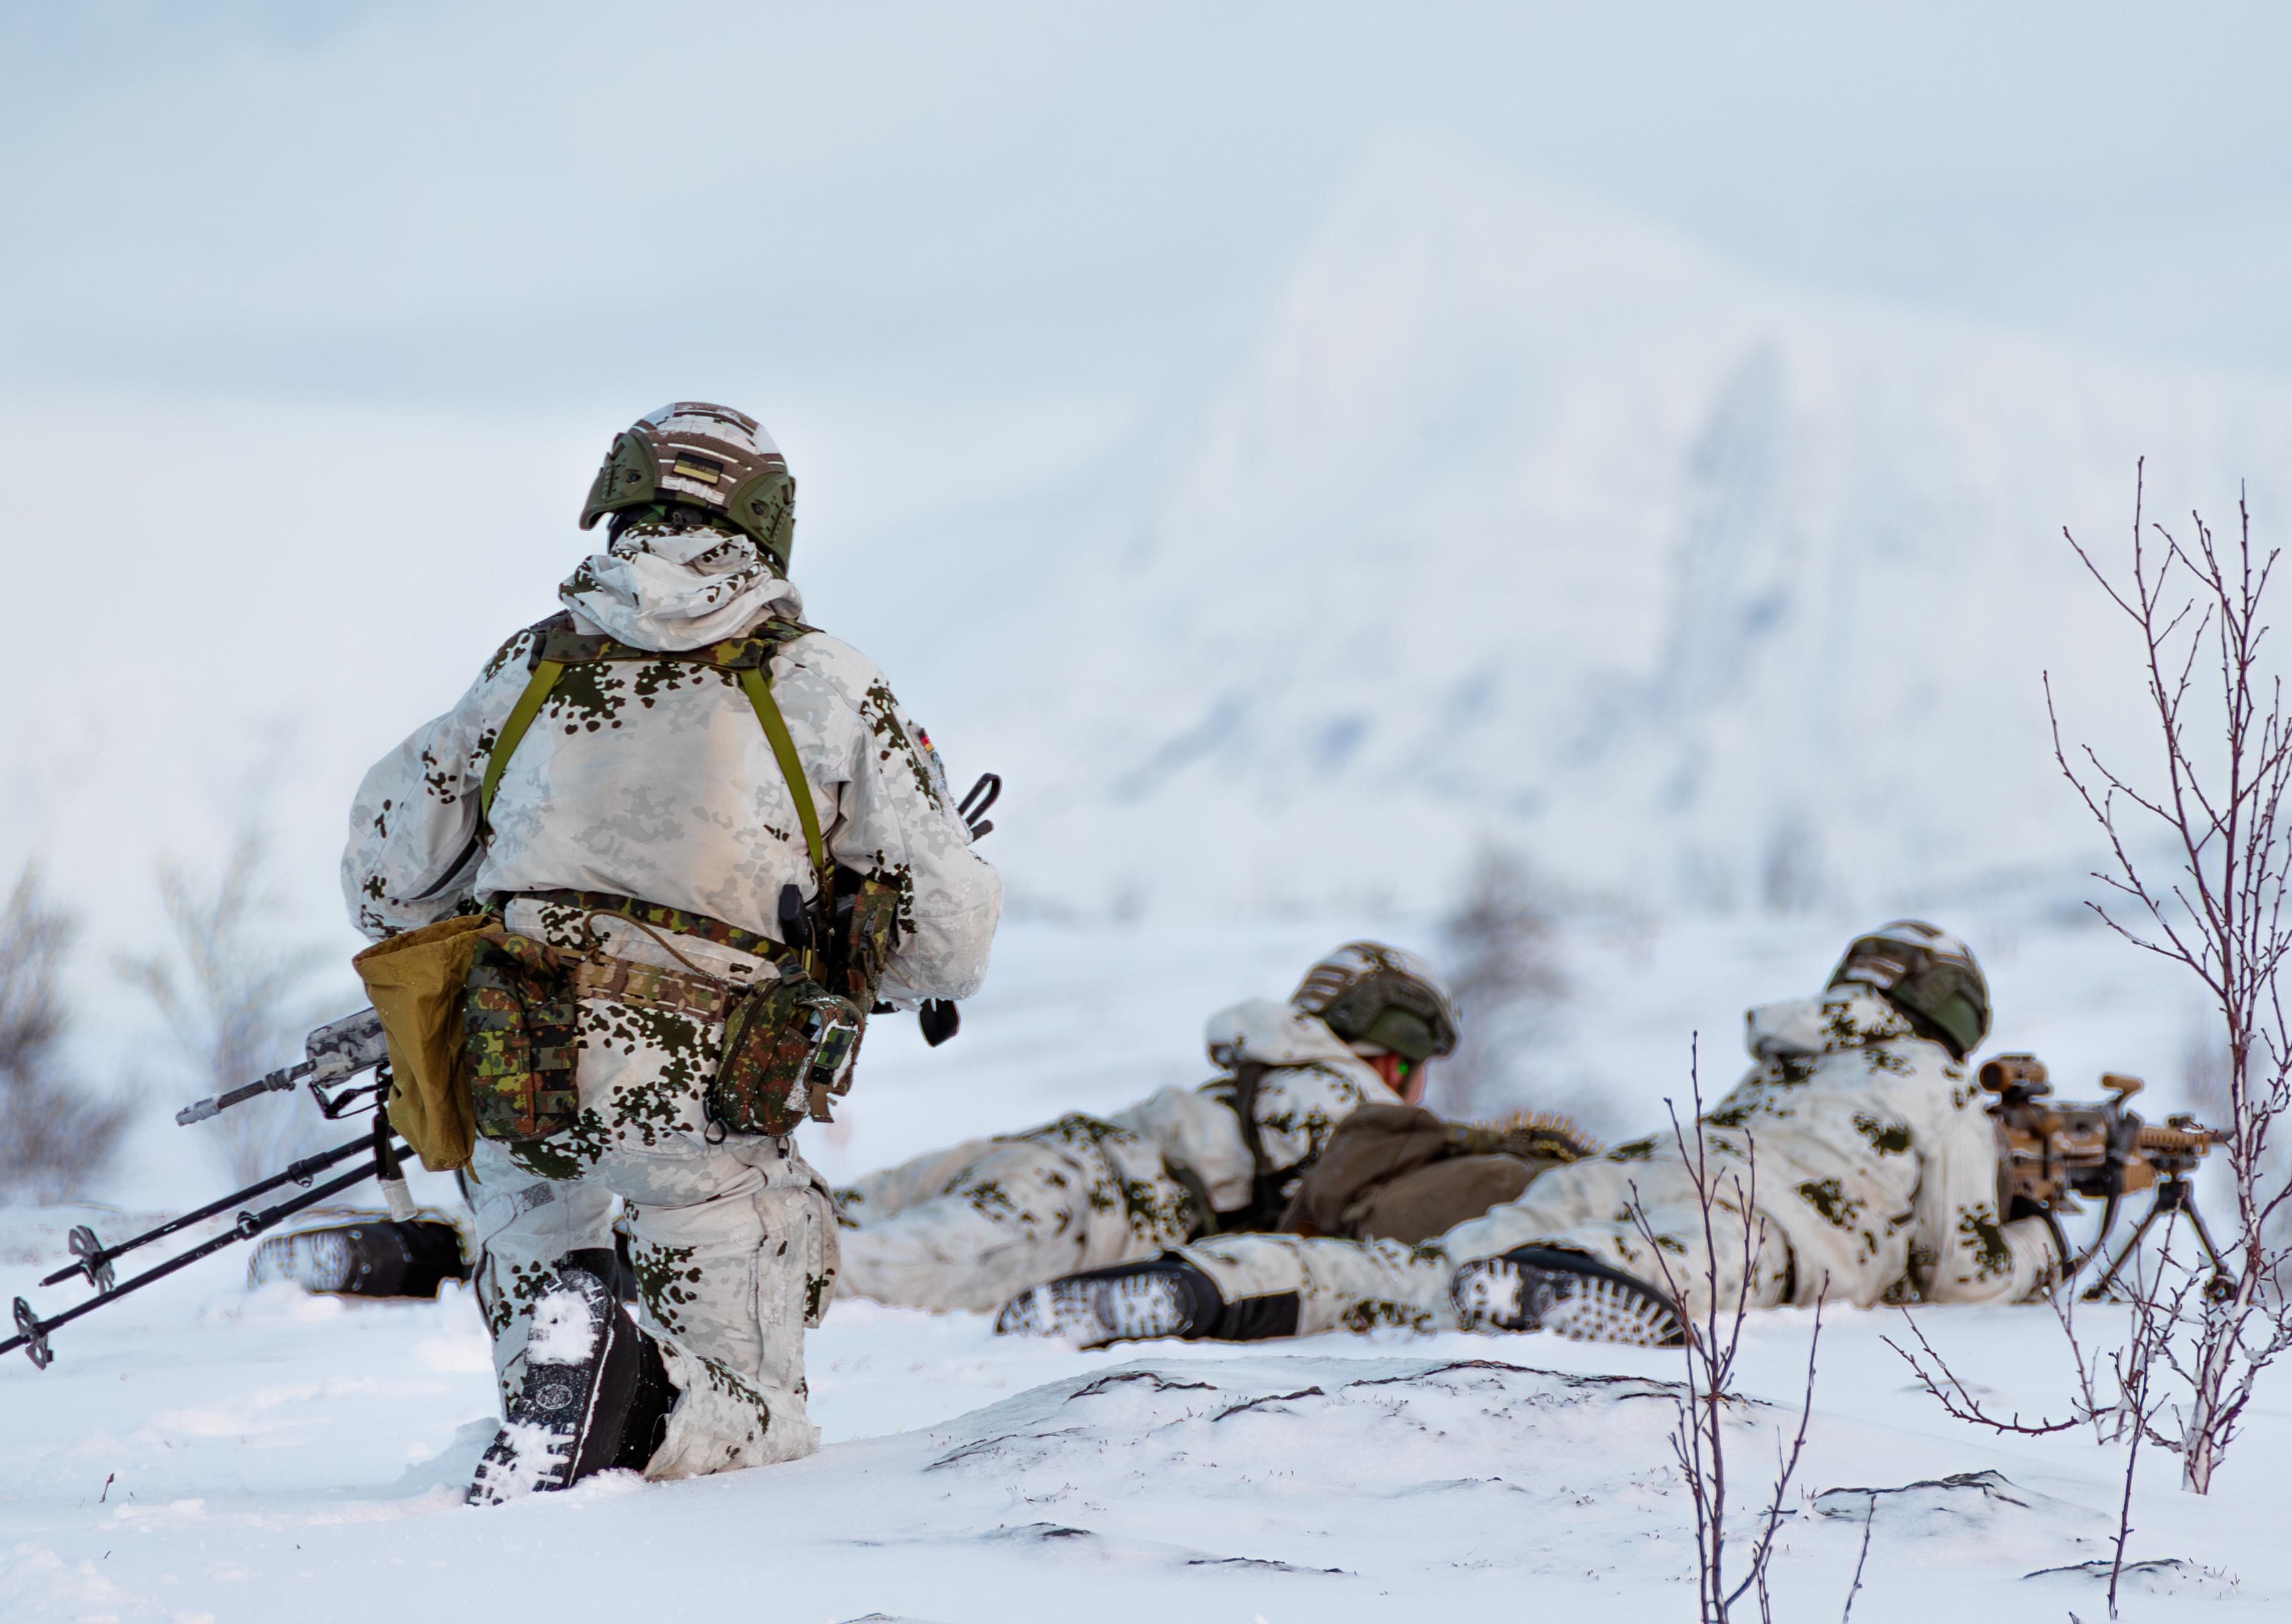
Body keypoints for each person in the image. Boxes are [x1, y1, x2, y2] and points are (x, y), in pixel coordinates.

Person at [341, 402, 1001, 1498]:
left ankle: (582, 1376)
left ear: (619, 499)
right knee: (749, 1416)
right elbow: (950, 945)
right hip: (704, 1101)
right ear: (766, 519)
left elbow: (382, 880)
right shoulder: (823, 682)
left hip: (512, 1076)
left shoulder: (526, 668)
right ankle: (639, 1399)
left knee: (558, 1414)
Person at [1001, 921, 2060, 1349]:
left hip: (1639, 1166)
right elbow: (1959, 1272)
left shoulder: (1783, 1064)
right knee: (1669, 1266)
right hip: (1761, 1225)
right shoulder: (1936, 1088)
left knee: (1403, 1269)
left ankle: (1203, 1283)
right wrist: (2044, 1240)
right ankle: (1549, 1284)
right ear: (1953, 1020)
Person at [834, 942, 1462, 1324]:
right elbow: (1345, 1229)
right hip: (1086, 1206)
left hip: (1046, 1158)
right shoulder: (1345, 1096)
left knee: (797, 1220)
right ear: (1398, 1052)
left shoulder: (1274, 1068)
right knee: (849, 1273)